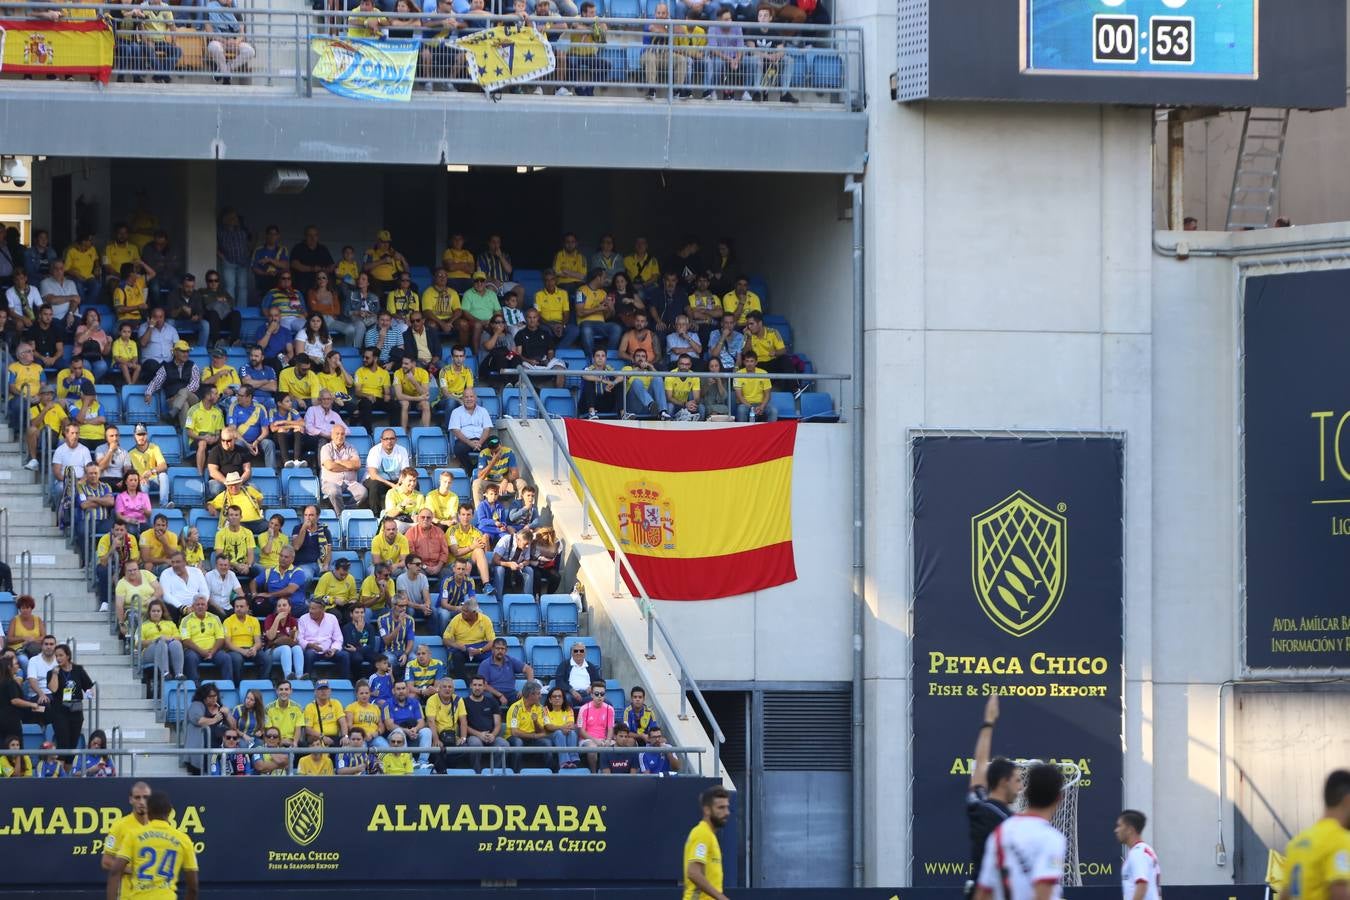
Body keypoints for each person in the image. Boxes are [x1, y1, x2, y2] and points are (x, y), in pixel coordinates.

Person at [974, 764, 1066, 900]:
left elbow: (984, 893)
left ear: (1027, 793)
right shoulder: (1052, 839)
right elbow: (1042, 895)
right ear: (1059, 798)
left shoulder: (1001, 831)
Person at [967, 695, 1018, 896]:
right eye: (1017, 781)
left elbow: (979, 764)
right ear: (1004, 781)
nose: (1021, 787)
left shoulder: (978, 805)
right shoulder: (1008, 821)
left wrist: (988, 722)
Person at [106, 790, 199, 900]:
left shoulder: (133, 835)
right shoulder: (183, 839)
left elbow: (115, 872)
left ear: (148, 812)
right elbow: (193, 888)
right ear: (170, 811)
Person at [1281, 770, 1350, 900]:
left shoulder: (1297, 842)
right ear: (1347, 800)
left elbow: (1285, 895)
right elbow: (1340, 894)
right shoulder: (1339, 839)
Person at [684, 785, 731, 900]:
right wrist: (721, 897)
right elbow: (693, 872)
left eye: (727, 807)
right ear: (707, 810)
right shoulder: (702, 833)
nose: (727, 812)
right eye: (721, 808)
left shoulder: (710, 835)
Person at [47, 643, 95, 752]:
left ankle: (67, 768)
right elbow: (53, 689)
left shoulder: (78, 670)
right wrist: (55, 674)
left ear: (68, 656)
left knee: (72, 746)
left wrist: (89, 694)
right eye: (57, 656)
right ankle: (60, 768)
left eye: (61, 655)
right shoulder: (52, 672)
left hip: (76, 711)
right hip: (60, 712)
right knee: (63, 744)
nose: (58, 658)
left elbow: (88, 686)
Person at [180, 595, 233, 684]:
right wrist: (201, 651)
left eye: (203, 604)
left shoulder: (215, 618)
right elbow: (186, 640)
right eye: (197, 604)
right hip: (194, 651)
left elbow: (220, 637)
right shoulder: (185, 620)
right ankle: (194, 686)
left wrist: (212, 651)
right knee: (190, 657)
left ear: (207, 606)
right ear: (193, 607)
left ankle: (228, 685)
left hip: (213, 651)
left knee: (226, 658)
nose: (200, 606)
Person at [101, 781, 151, 873]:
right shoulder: (119, 826)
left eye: (146, 797)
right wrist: (135, 872)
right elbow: (106, 861)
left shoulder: (158, 824)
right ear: (131, 800)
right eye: (137, 798)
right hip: (129, 886)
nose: (142, 802)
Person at [462, 673, 508, 771]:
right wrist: (479, 734)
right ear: (470, 686)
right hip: (473, 736)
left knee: (504, 744)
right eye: (475, 685)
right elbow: (463, 724)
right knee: (476, 745)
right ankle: (476, 773)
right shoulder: (463, 702)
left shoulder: (492, 701)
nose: (477, 688)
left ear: (484, 687)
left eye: (480, 685)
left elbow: (498, 723)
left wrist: (493, 735)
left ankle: (495, 773)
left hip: (491, 735)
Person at [299, 596, 350, 679]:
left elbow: (338, 639)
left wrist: (333, 649)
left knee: (344, 655)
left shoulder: (332, 618)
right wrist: (311, 645)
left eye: (313, 609)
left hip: (329, 650)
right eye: (310, 608)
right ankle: (306, 682)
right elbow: (300, 639)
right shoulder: (303, 619)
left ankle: (346, 682)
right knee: (309, 654)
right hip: (312, 650)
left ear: (322, 610)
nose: (310, 611)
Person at [1115, 810, 1161, 900]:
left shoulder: (1137, 853)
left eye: (1119, 826)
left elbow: (1142, 884)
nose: (1116, 830)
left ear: (1130, 830)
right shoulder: (1146, 850)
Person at [576, 679, 615, 771]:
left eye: (602, 694)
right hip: (587, 740)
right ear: (592, 695)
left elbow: (610, 728)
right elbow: (581, 731)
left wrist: (608, 740)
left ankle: (609, 774)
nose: (599, 697)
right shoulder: (584, 709)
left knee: (621, 746)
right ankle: (594, 773)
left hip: (604, 739)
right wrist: (595, 740)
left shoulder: (609, 709)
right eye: (597, 694)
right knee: (592, 748)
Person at [554, 639, 601, 709]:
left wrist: (592, 687)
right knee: (566, 699)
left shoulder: (591, 666)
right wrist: (571, 690)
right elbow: (559, 681)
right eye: (576, 651)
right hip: (570, 694)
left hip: (587, 695)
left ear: (585, 653)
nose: (578, 653)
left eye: (581, 651)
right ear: (571, 653)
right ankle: (570, 719)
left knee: (604, 702)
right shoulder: (564, 665)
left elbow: (599, 681)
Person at [303, 679, 350, 747]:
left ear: (330, 691)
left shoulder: (336, 703)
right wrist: (322, 737)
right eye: (320, 689)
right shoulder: (310, 707)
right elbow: (308, 729)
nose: (323, 691)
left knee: (346, 743)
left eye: (325, 689)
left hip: (334, 737)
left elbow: (343, 722)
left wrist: (345, 736)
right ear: (315, 692)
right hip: (316, 738)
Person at [542, 685, 579, 769]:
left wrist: (562, 728)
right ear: (550, 700)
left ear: (563, 699)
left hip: (565, 732)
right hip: (549, 735)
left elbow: (571, 725)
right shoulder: (545, 710)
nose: (557, 698)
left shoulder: (568, 709)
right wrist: (562, 727)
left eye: (560, 696)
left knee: (572, 732)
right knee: (559, 733)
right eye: (554, 696)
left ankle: (573, 759)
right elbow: (548, 727)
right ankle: (564, 762)